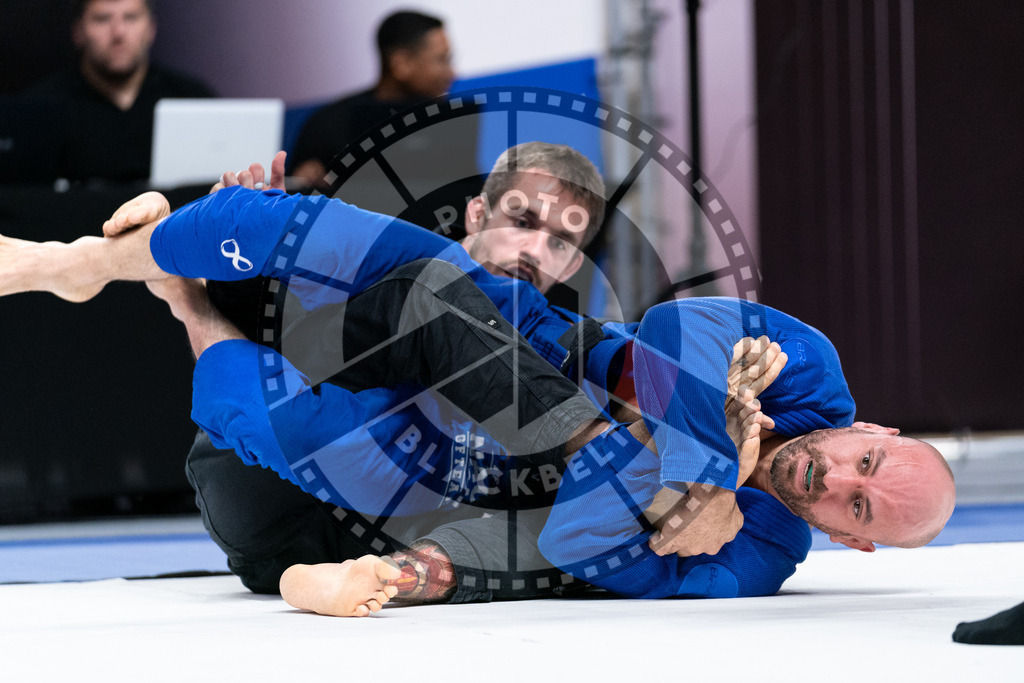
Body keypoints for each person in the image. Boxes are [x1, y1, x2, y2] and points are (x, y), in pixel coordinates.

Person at [0, 183, 956, 616]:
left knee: (297, 435)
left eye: (855, 501)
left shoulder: (757, 553)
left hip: (483, 470)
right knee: (361, 255)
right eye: (862, 458)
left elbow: (578, 545)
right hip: (517, 361)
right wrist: (699, 472)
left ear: (853, 537)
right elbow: (671, 332)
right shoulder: (812, 375)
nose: (830, 472)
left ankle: (179, 294)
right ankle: (82, 263)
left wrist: (700, 478)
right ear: (873, 426)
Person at [24, 0, 214, 184]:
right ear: (78, 32)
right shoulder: (39, 111)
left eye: (131, 17)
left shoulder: (194, 100)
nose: (118, 32)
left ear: (151, 29)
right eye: (103, 19)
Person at [288, 10, 455, 187]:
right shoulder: (328, 125)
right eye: (441, 60)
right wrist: (305, 181)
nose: (451, 73)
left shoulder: (449, 124)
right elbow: (292, 197)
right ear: (401, 63)